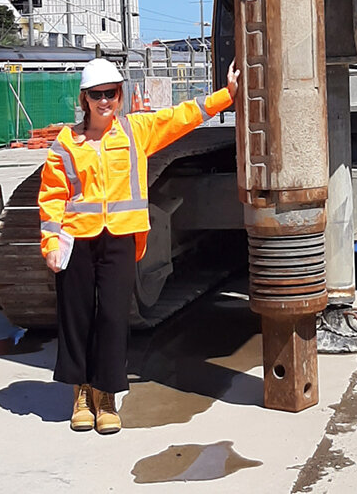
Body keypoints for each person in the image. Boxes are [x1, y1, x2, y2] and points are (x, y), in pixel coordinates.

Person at [38, 57, 239, 433]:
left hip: (120, 239)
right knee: (77, 316)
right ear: (84, 99)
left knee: (114, 317)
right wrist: (50, 243)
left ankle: (107, 394)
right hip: (76, 240)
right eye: (97, 95)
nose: (105, 101)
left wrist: (225, 97)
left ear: (119, 95)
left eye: (111, 94)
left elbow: (180, 117)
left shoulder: (135, 131)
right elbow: (51, 197)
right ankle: (82, 392)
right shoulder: (66, 144)